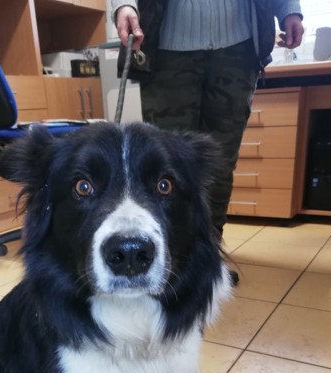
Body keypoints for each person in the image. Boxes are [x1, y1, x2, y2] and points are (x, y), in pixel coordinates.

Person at [111, 0, 304, 284]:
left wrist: (288, 9)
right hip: (167, 49)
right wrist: (124, 4)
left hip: (238, 49)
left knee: (219, 167)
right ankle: (168, 260)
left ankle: (207, 260)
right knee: (165, 169)